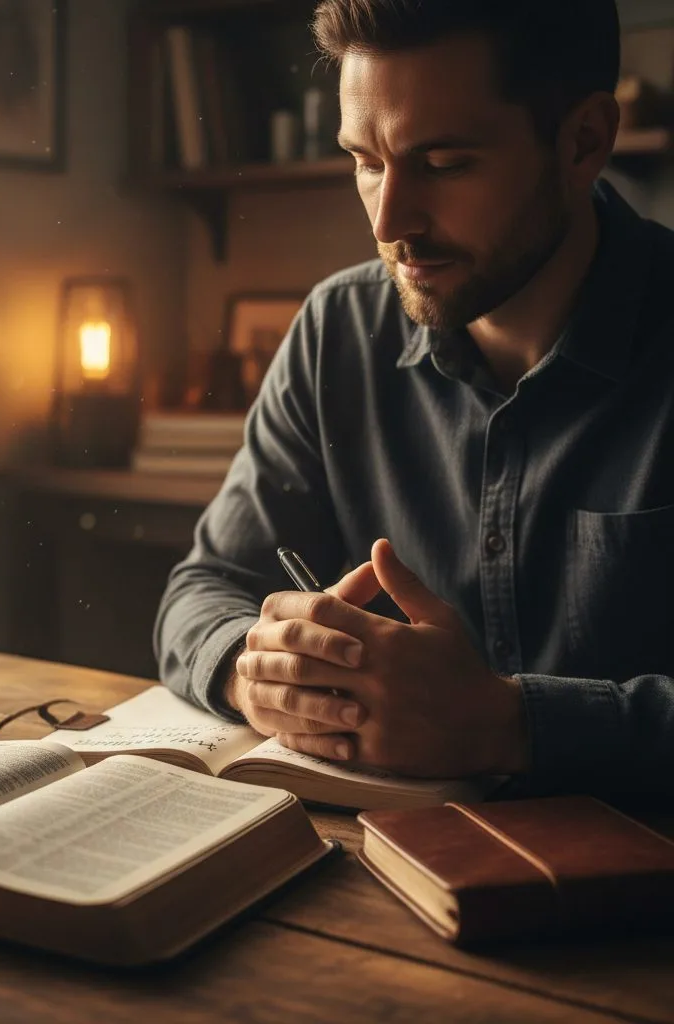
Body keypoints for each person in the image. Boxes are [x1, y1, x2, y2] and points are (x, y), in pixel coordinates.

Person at [154, 0, 674, 798]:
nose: (390, 220)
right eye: (366, 161)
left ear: (583, 141)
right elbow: (204, 588)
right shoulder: (337, 329)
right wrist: (255, 672)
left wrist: (510, 724)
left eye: (444, 164)